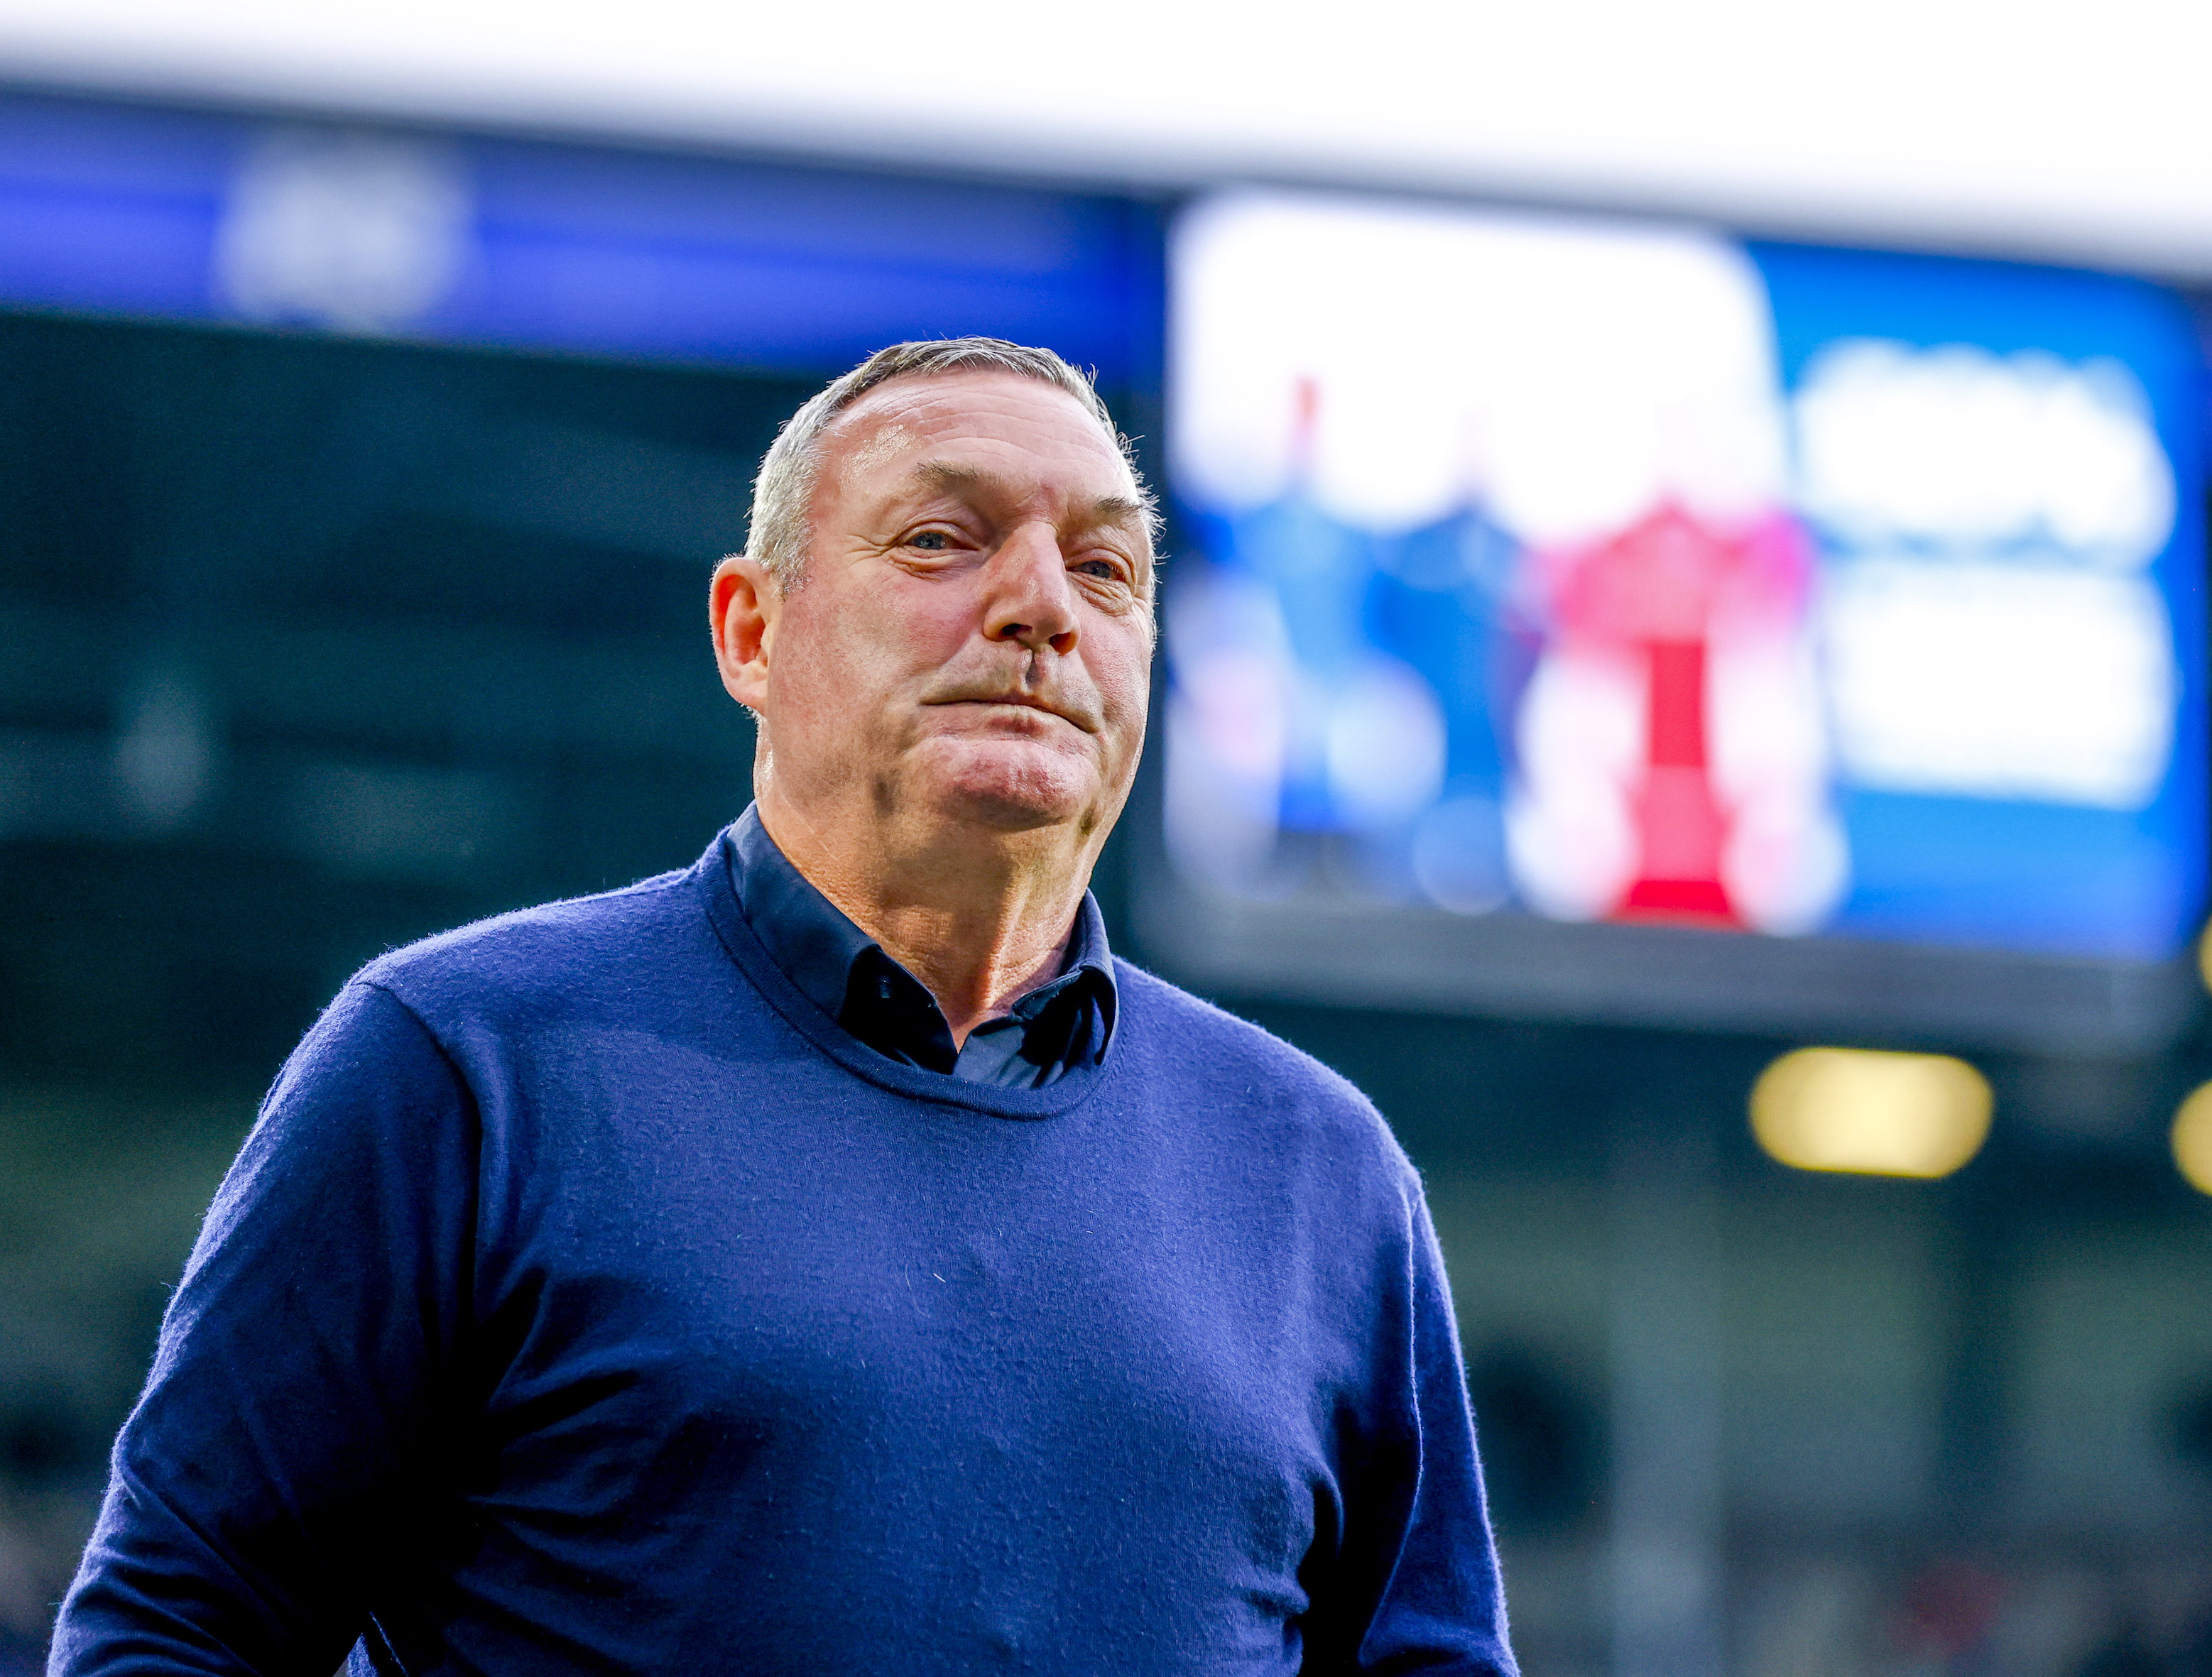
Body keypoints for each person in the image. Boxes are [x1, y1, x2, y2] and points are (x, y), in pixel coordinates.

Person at [50, 339, 1515, 1676]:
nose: (1039, 608)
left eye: (1107, 570)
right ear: (751, 632)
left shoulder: (1322, 1171)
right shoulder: (466, 1064)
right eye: (941, 539)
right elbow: (179, 1630)